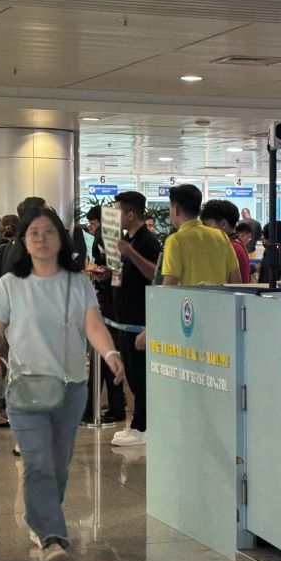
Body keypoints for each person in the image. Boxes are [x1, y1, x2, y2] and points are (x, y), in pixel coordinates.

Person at [0, 208, 125, 561]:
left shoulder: (78, 284)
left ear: (61, 239)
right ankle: (51, 537)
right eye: (34, 233)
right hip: (25, 388)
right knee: (38, 462)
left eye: (49, 232)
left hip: (71, 387)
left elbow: (92, 323)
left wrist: (109, 352)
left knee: (58, 465)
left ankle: (40, 517)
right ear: (23, 241)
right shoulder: (10, 284)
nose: (41, 238)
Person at [110, 191, 160, 447]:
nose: (115, 216)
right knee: (133, 374)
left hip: (139, 321)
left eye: (118, 211)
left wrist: (130, 252)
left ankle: (143, 427)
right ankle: (138, 425)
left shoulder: (146, 242)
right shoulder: (127, 240)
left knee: (140, 376)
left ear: (130, 214)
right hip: (125, 320)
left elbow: (155, 274)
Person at [83, 205, 126, 424]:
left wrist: (97, 272)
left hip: (108, 306)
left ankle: (96, 408)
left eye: (92, 223)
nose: (90, 227)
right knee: (106, 359)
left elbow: (110, 269)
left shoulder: (105, 236)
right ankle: (109, 406)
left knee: (103, 357)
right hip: (113, 306)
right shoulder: (116, 234)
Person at [161, 185, 242, 286]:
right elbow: (236, 281)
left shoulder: (175, 241)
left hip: (189, 301)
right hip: (220, 301)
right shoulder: (221, 236)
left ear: (176, 210)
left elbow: (169, 286)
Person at [200, 199, 251, 285]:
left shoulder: (231, 247)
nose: (204, 230)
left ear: (223, 224)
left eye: (207, 225)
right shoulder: (236, 244)